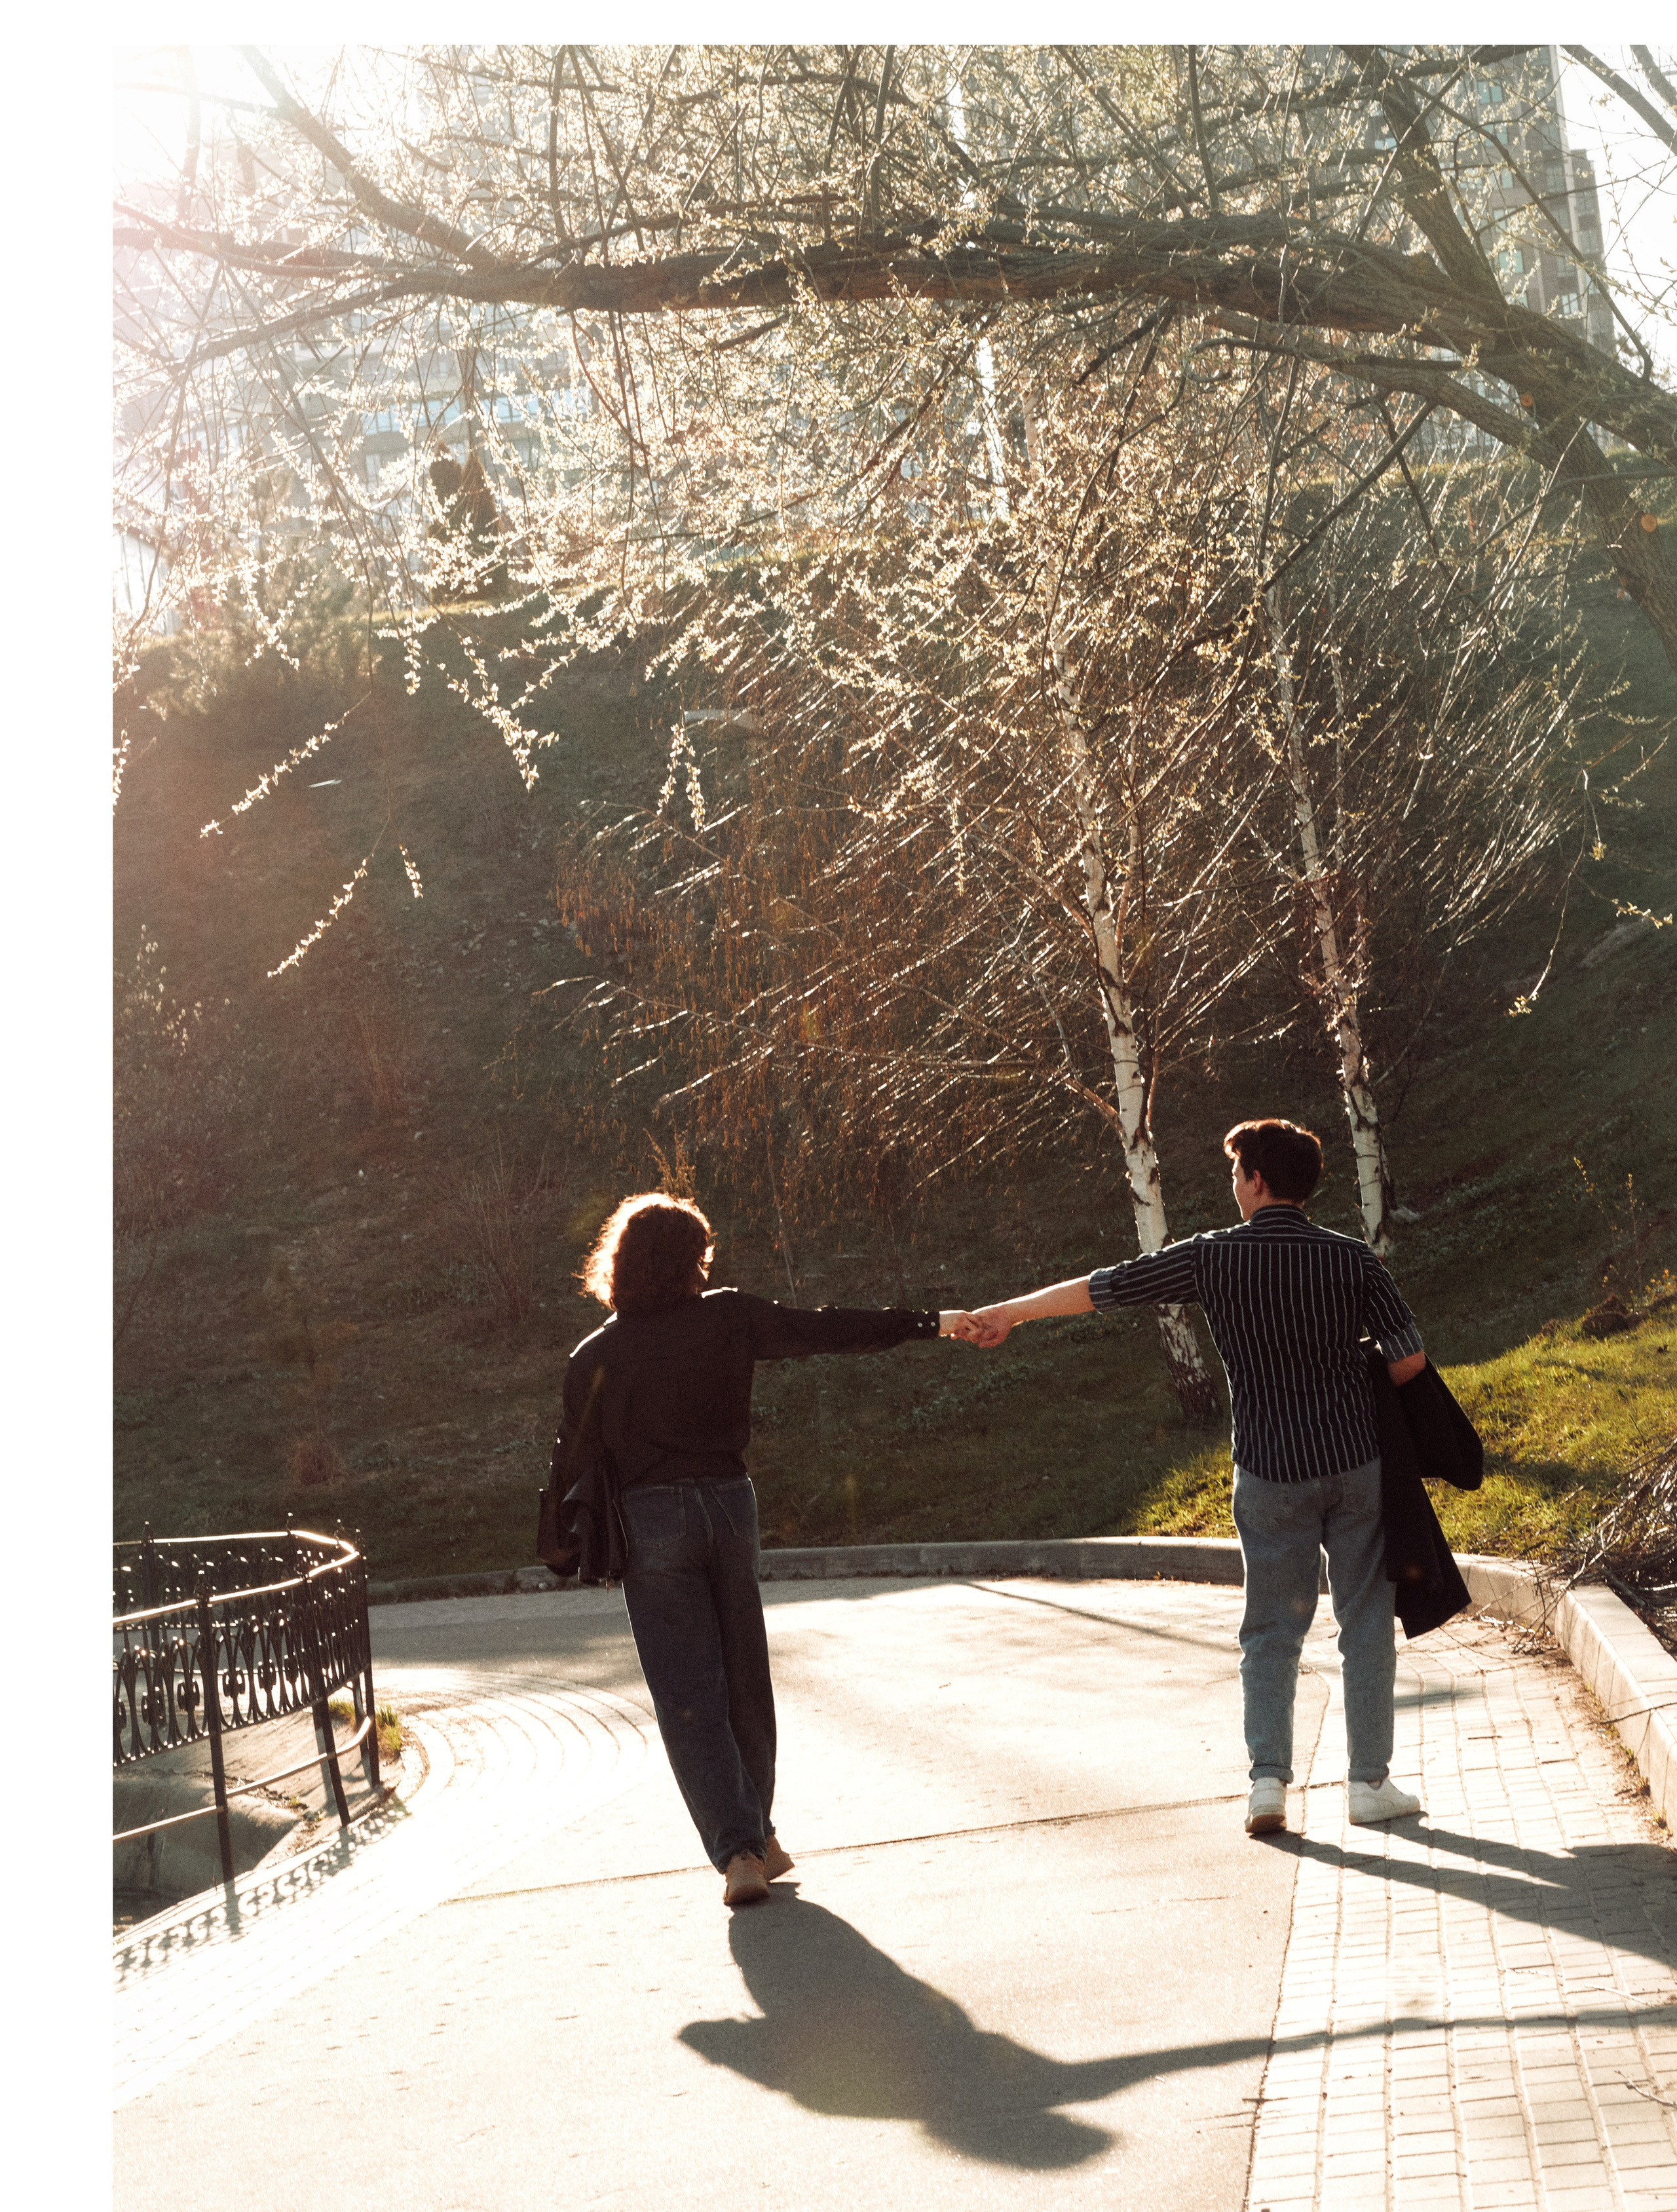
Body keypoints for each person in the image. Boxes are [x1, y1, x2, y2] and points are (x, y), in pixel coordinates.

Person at [968, 1118, 1429, 1838]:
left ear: (1255, 1180)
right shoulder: (1352, 1258)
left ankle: (1268, 1785)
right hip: (1354, 1462)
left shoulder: (1213, 1255)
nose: (1233, 1184)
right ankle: (1369, 1784)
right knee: (1364, 1620)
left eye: (1236, 1172)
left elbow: (1107, 1287)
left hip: (1269, 1469)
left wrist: (1012, 1314)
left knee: (1270, 1628)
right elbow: (1408, 1360)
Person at [558, 1192, 979, 1907]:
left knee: (688, 1695)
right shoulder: (728, 1317)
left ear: (620, 1264)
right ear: (691, 1260)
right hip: (729, 1505)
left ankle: (739, 1851)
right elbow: (825, 1328)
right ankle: (760, 1835)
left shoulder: (593, 1356)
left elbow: (574, 1467)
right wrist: (932, 1322)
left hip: (652, 1522)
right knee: (744, 1679)